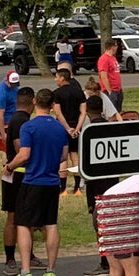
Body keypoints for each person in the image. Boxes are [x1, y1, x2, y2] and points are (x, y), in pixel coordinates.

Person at [3, 88, 69, 276]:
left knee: (23, 224)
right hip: (52, 181)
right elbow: (63, 156)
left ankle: (25, 272)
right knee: (51, 224)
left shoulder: (29, 127)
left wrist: (9, 166)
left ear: (34, 102)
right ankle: (50, 271)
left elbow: (24, 154)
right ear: (52, 105)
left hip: (32, 180)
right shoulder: (59, 128)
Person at [0, 87, 47, 276]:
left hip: (20, 174)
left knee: (26, 217)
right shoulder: (21, 121)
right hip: (17, 174)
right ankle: (10, 259)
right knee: (13, 217)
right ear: (33, 101)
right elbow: (21, 149)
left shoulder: (19, 119)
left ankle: (29, 254)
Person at [81, 95, 121, 276]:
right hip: (112, 181)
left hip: (96, 183)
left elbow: (85, 162)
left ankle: (105, 262)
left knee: (99, 222)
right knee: (111, 220)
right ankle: (113, 257)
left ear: (87, 111)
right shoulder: (112, 128)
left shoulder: (89, 131)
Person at [52, 68, 86, 196]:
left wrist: (67, 128)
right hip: (76, 128)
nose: (55, 79)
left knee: (63, 158)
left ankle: (63, 189)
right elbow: (83, 112)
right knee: (75, 156)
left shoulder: (57, 94)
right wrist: (77, 128)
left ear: (62, 78)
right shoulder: (79, 92)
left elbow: (58, 113)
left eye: (56, 77)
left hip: (62, 128)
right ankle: (77, 188)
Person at [0, 70, 20, 152]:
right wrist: (3, 134)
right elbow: (0, 115)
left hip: (13, 119)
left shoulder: (14, 86)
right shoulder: (2, 93)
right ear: (7, 80)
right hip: (4, 122)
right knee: (6, 149)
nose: (13, 86)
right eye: (11, 84)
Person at [97, 40, 124, 111]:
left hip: (118, 89)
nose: (117, 47)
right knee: (111, 112)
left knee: (118, 111)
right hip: (110, 90)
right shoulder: (104, 59)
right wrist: (109, 91)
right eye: (116, 46)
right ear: (112, 47)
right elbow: (103, 76)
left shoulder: (113, 58)